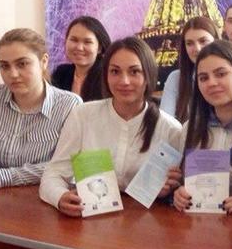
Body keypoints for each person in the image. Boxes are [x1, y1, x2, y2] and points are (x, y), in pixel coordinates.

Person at [40, 37, 181, 215]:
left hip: (146, 220)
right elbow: (54, 173)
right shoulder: (83, 115)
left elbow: (179, 191)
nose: (124, 81)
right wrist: (60, 197)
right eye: (115, 71)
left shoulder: (171, 130)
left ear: (149, 75)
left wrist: (169, 189)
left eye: (134, 72)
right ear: (105, 75)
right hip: (91, 216)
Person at [162, 40, 232, 215]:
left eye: (221, 74)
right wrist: (178, 193)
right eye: (203, 78)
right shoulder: (190, 129)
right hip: (198, 225)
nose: (212, 83)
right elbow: (182, 181)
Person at [0, 28, 81, 189]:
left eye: (22, 64)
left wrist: (0, 176)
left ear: (43, 61)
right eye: (4, 66)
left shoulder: (70, 105)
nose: (13, 74)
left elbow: (68, 165)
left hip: (43, 195)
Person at [160, 16, 220, 122]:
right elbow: (165, 123)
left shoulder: (230, 75)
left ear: (216, 41)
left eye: (203, 41)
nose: (197, 49)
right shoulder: (176, 78)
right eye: (189, 43)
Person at [51, 16, 111, 101]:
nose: (79, 47)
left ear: (99, 48)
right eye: (74, 40)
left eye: (87, 42)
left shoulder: (107, 77)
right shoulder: (61, 74)